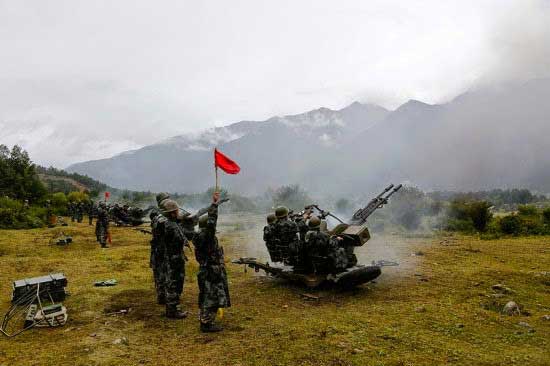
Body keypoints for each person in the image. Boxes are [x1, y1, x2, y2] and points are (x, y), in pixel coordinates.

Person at [193, 192, 230, 332]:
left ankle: (205, 319)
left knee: (206, 295)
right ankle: (206, 324)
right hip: (211, 271)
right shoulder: (206, 237)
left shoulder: (198, 236)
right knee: (211, 296)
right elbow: (212, 222)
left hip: (205, 269)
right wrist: (214, 205)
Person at [162, 199, 189, 319]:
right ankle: (172, 310)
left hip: (173, 257)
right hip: (174, 258)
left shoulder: (171, 223)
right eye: (176, 211)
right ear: (172, 213)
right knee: (174, 283)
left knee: (173, 282)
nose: (178, 212)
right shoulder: (171, 226)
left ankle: (172, 308)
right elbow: (179, 239)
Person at [150, 202, 168, 305]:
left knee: (158, 273)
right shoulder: (162, 220)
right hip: (162, 250)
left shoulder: (155, 218)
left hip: (156, 250)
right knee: (163, 273)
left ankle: (161, 295)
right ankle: (164, 296)